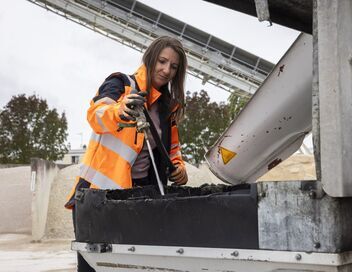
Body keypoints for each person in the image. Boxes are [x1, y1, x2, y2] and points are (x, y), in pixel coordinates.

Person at [65, 36, 189, 272]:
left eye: (173, 67)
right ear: (150, 58)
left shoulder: (167, 109)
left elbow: (172, 149)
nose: (166, 70)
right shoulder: (120, 85)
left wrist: (179, 168)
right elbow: (96, 114)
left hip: (141, 199)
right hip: (98, 198)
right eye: (162, 61)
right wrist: (120, 110)